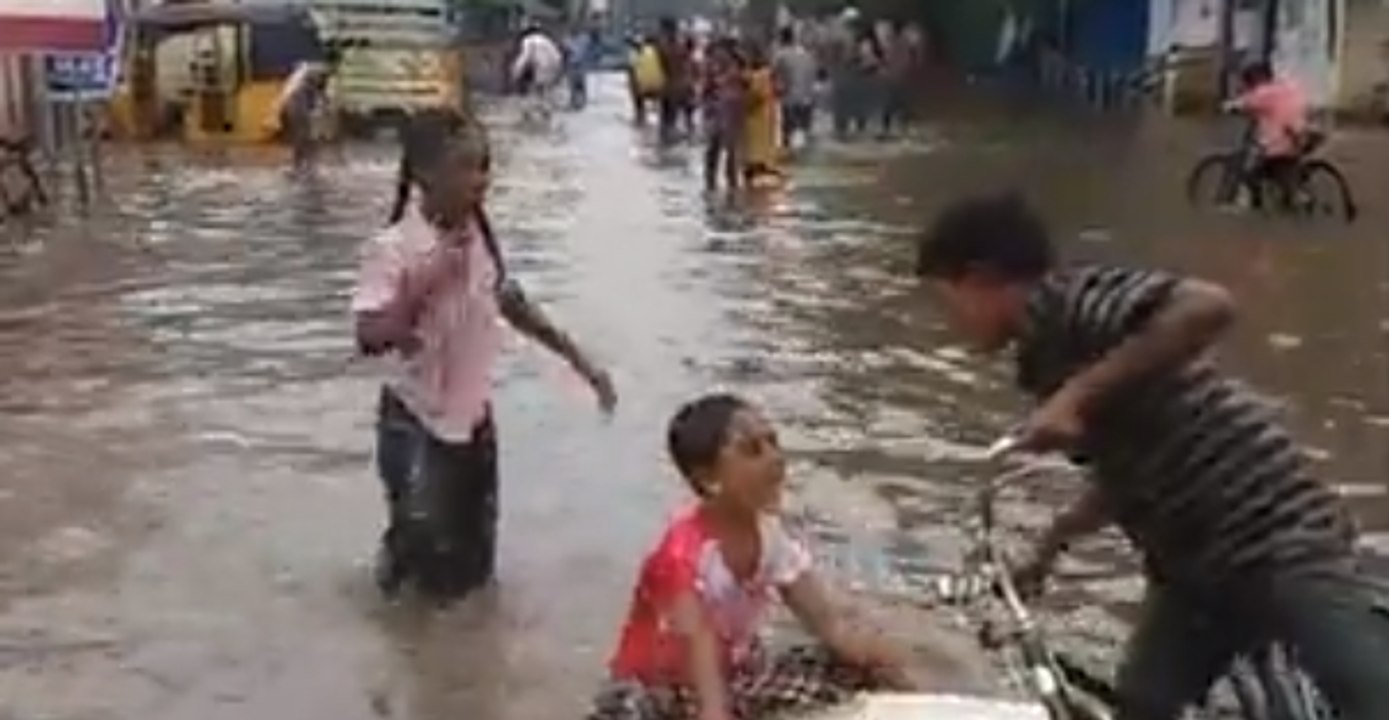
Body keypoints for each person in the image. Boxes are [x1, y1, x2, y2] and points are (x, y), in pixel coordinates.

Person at [913, 192, 1389, 720]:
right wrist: (1051, 544)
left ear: (981, 279)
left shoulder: (1075, 302)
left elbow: (1209, 305)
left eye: (945, 301)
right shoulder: (1043, 357)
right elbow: (1124, 474)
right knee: (1143, 705)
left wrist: (1075, 397)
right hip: (1191, 565)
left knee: (1367, 696)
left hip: (1276, 534)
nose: (949, 323)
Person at [352, 108, 617, 600]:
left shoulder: (478, 238)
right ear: (427, 175)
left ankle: (463, 664)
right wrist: (423, 286)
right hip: (414, 422)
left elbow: (508, 301)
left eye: (485, 166)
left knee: (474, 568)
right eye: (468, 167)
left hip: (471, 420)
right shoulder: (396, 247)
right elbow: (368, 334)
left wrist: (581, 361)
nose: (482, 179)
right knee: (419, 567)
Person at [585, 393, 927, 720]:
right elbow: (701, 672)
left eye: (773, 442)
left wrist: (904, 673)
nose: (775, 458)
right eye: (752, 450)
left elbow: (832, 627)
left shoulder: (770, 538)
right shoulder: (684, 558)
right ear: (708, 478)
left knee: (853, 667)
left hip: (730, 675)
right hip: (657, 691)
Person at [1223, 61, 1311, 206]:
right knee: (1282, 165)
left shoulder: (1264, 93)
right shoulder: (1285, 88)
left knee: (1252, 171)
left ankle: (1252, 202)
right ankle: (1286, 194)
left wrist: (1227, 107)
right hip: (1300, 134)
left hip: (1281, 139)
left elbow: (1244, 104)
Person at [272, 47, 340, 169]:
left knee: (306, 135)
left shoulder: (311, 69)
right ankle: (303, 164)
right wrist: (324, 103)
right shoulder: (319, 71)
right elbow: (317, 90)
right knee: (304, 135)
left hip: (295, 102)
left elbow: (318, 92)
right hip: (297, 103)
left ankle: (303, 163)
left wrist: (322, 103)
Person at [701, 38, 746, 193]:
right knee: (722, 151)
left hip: (726, 111)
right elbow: (705, 89)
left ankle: (717, 185)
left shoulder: (735, 66)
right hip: (725, 112)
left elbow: (705, 89)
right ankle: (721, 186)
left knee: (721, 152)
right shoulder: (736, 66)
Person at [740, 42, 782, 187]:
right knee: (759, 149)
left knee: (756, 152)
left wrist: (744, 102)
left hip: (758, 118)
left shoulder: (761, 75)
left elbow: (757, 95)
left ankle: (758, 173)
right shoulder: (760, 73)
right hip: (761, 117)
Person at [772, 25, 818, 151]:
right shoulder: (806, 53)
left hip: (789, 97)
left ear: (781, 38)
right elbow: (813, 72)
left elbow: (773, 73)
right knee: (803, 127)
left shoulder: (781, 55)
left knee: (788, 127)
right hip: (807, 96)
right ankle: (805, 152)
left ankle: (788, 149)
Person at [512, 23, 565, 121]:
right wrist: (558, 71)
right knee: (546, 90)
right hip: (551, 67)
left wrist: (517, 70)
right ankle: (546, 111)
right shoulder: (547, 40)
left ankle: (528, 112)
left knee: (534, 90)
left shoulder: (528, 41)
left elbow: (525, 57)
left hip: (539, 67)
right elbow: (557, 56)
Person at [654, 17, 694, 143]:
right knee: (673, 119)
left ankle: (668, 142)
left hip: (672, 87)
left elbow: (664, 62)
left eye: (662, 30)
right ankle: (672, 141)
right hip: (677, 87)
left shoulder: (666, 46)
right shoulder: (677, 45)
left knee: (669, 120)